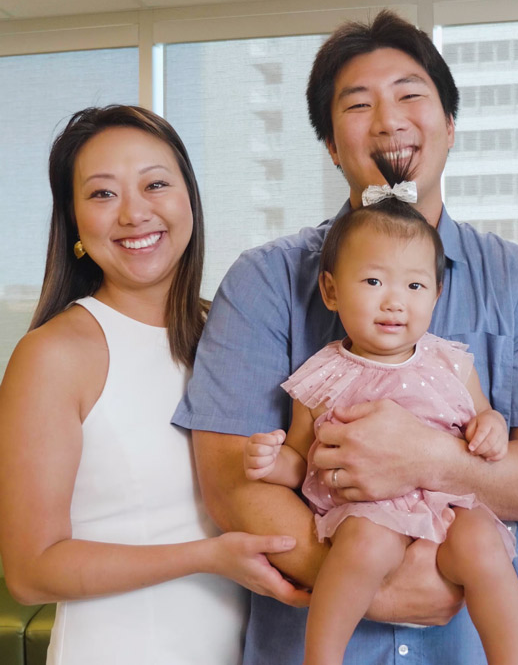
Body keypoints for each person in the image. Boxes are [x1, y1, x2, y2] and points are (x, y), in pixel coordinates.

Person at [175, 10, 518, 665]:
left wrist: (433, 458)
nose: (389, 119)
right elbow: (232, 485)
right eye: (359, 104)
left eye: (410, 95)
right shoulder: (263, 282)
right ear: (332, 146)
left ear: (449, 127)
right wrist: (377, 586)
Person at [0, 105, 309, 665]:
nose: (135, 213)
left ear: (188, 197)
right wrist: (207, 557)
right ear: (72, 220)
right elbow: (30, 571)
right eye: (102, 194)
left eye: (156, 184)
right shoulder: (53, 355)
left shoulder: (235, 334)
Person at [244, 155, 518, 664]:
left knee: (485, 545)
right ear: (331, 290)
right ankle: (322, 657)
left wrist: (493, 427)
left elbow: (482, 418)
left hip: (447, 506)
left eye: (414, 286)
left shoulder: (452, 363)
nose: (395, 302)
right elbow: (303, 456)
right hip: (369, 510)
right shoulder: (324, 375)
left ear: (436, 295)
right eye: (373, 283)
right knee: (365, 546)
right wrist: (273, 462)